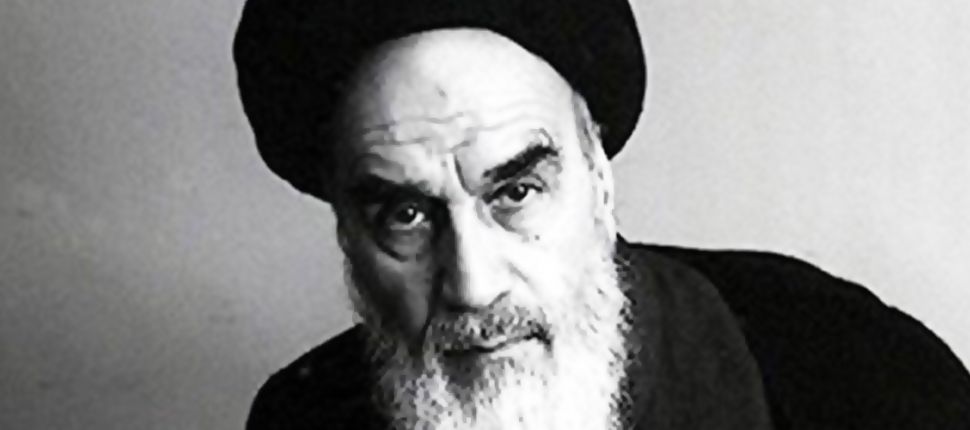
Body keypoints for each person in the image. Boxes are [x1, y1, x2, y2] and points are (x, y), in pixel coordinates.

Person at [233, 0, 970, 429]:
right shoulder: (302, 418)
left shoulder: (862, 377)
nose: (473, 286)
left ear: (599, 179)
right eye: (406, 215)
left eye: (516, 192)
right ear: (348, 235)